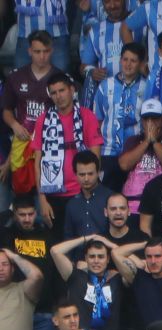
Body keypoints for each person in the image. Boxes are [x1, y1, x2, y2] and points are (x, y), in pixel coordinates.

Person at [31, 74, 104, 240]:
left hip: (82, 192)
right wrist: (42, 199)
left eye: (62, 90)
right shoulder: (43, 120)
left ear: (72, 90)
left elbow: (95, 158)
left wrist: (91, 191)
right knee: (57, 244)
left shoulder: (87, 116)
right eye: (54, 92)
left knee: (86, 242)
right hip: (53, 194)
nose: (58, 96)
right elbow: (38, 163)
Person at [0, 196, 56, 330]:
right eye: (22, 215)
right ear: (14, 214)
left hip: (44, 310)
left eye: (30, 214)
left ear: (36, 213)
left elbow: (55, 273)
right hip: (16, 310)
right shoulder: (7, 236)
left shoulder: (46, 234)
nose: (26, 219)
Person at [93, 42, 149, 191]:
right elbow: (97, 121)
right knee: (107, 199)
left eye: (133, 60)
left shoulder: (147, 87)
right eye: (125, 59)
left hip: (135, 153)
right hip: (108, 152)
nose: (128, 64)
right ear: (120, 60)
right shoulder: (105, 86)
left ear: (141, 64)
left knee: (134, 199)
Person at [2, 32, 61, 167]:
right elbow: (7, 110)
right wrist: (14, 125)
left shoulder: (61, 79)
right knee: (21, 186)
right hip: (22, 142)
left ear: (52, 51)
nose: (42, 56)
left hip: (50, 144)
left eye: (46, 51)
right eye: (37, 51)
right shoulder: (15, 77)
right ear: (29, 51)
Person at [120, 99, 162, 216]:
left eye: (154, 119)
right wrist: (146, 142)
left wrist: (154, 141)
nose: (150, 123)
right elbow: (124, 165)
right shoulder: (133, 141)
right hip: (133, 206)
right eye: (146, 119)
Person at [0, 248, 45, 330]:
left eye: (5, 264)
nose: (1, 268)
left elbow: (37, 276)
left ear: (13, 269)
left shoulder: (22, 289)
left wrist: (14, 257)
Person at [63, 152, 114, 241]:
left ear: (98, 173)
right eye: (82, 175)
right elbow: (68, 237)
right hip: (79, 253)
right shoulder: (72, 204)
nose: (86, 179)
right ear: (75, 175)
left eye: (90, 174)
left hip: (105, 252)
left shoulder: (111, 198)